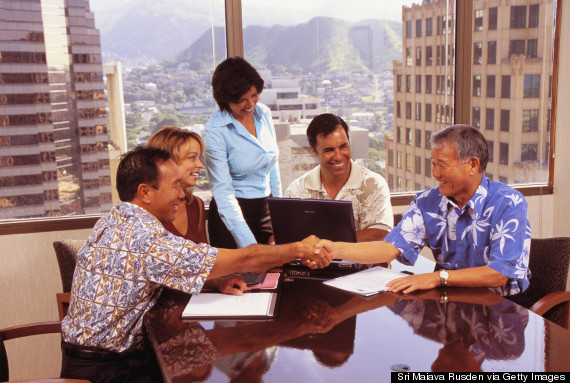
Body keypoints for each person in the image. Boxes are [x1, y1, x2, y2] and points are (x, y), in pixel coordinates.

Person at [60, 146, 329, 383]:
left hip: (88, 359)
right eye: (174, 186)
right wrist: (298, 250)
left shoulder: (115, 220)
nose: (181, 195)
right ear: (145, 192)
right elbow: (246, 259)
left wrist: (212, 279)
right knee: (215, 354)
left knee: (204, 351)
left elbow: (148, 269)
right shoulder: (144, 238)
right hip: (108, 372)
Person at [314, 124, 531, 297]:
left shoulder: (509, 203)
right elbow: (389, 248)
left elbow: (499, 275)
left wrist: (437, 278)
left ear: (472, 165)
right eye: (433, 164)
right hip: (449, 303)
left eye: (442, 165)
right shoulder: (427, 202)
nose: (435, 174)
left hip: (500, 311)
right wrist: (335, 249)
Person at [147, 126, 245, 295]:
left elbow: (204, 267)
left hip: (191, 304)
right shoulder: (146, 211)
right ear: (167, 162)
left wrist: (218, 283)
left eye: (199, 158)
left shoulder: (196, 205)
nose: (200, 165)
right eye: (192, 158)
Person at [203, 56, 281, 249]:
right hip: (232, 216)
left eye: (254, 95)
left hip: (266, 208)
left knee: (278, 274)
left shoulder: (263, 113)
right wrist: (249, 246)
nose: (250, 104)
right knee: (243, 277)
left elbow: (272, 167)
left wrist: (280, 215)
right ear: (225, 99)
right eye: (240, 100)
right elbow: (223, 192)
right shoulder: (215, 132)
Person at [285, 113, 393, 241]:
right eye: (329, 150)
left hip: (364, 261)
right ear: (314, 152)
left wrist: (326, 245)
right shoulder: (296, 190)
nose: (338, 156)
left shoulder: (373, 184)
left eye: (343, 147)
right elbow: (288, 238)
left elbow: (381, 234)